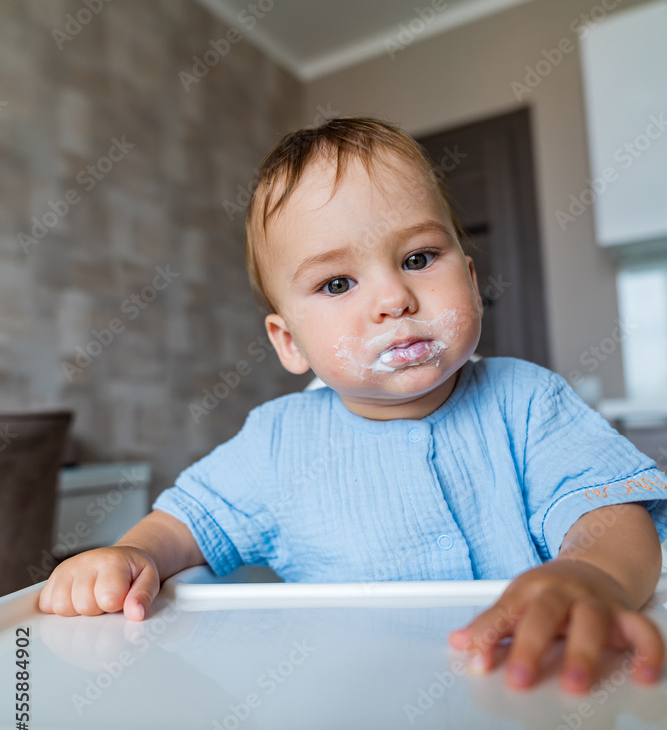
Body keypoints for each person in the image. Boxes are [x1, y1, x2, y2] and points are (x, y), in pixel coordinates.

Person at [39, 116, 667, 695]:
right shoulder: (278, 443)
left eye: (418, 258)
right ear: (290, 342)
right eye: (337, 283)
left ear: (472, 283)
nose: (394, 297)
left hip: (533, 692)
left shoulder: (529, 403)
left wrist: (593, 578)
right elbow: (187, 523)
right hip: (356, 713)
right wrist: (132, 554)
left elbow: (611, 518)